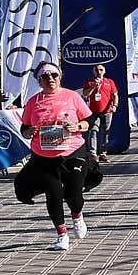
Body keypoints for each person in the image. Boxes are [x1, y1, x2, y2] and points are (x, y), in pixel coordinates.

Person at [17, 64, 94, 251]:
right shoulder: (33, 102)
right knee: (54, 195)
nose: (50, 79)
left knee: (73, 194)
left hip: (72, 152)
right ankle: (62, 235)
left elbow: (89, 120)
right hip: (44, 157)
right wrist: (29, 132)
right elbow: (24, 128)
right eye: (45, 76)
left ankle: (77, 216)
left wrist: (78, 127)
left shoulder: (72, 96)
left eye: (54, 75)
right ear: (39, 81)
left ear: (60, 77)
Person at [82, 64, 119, 163]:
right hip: (94, 112)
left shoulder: (109, 82)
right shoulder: (90, 82)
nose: (99, 72)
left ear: (104, 71)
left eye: (101, 70)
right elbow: (85, 94)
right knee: (93, 131)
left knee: (105, 132)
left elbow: (115, 95)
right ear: (94, 72)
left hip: (107, 112)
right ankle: (93, 154)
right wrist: (93, 86)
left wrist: (115, 105)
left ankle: (103, 153)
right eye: (97, 70)